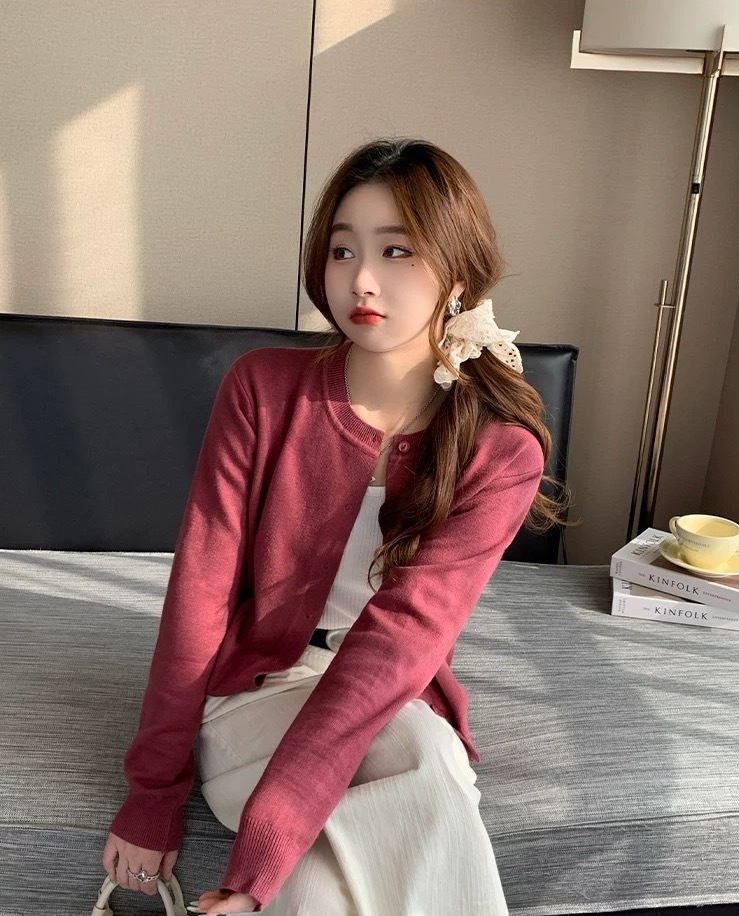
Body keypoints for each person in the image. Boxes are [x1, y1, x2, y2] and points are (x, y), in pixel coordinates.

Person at [101, 138, 567, 914]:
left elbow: (398, 646)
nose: (361, 279)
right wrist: (153, 792)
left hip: (390, 700)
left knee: (378, 802)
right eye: (343, 249)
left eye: (396, 251)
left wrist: (258, 875)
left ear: (458, 274)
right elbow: (199, 598)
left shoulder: (499, 448)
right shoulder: (262, 390)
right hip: (254, 695)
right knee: (423, 763)